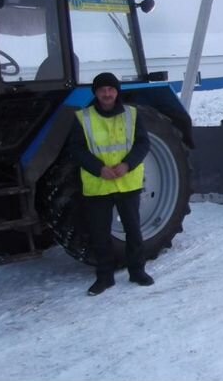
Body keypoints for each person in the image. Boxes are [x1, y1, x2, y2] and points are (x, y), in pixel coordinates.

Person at [70, 72, 153, 296]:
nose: (107, 94)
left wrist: (128, 165)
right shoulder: (83, 118)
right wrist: (99, 169)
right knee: (100, 234)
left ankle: (137, 271)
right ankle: (104, 277)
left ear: (117, 92)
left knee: (133, 231)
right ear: (96, 93)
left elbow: (143, 143)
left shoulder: (132, 115)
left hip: (128, 183)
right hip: (98, 185)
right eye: (102, 90)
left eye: (111, 89)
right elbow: (76, 149)